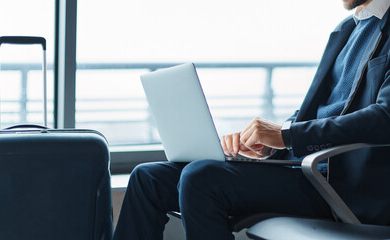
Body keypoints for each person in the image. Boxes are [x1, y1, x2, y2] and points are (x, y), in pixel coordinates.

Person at [113, 0, 390, 239]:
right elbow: (319, 110)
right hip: (302, 168)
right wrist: (270, 142)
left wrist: (287, 136)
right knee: (147, 177)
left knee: (202, 178)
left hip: (341, 185)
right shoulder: (347, 29)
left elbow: (384, 117)